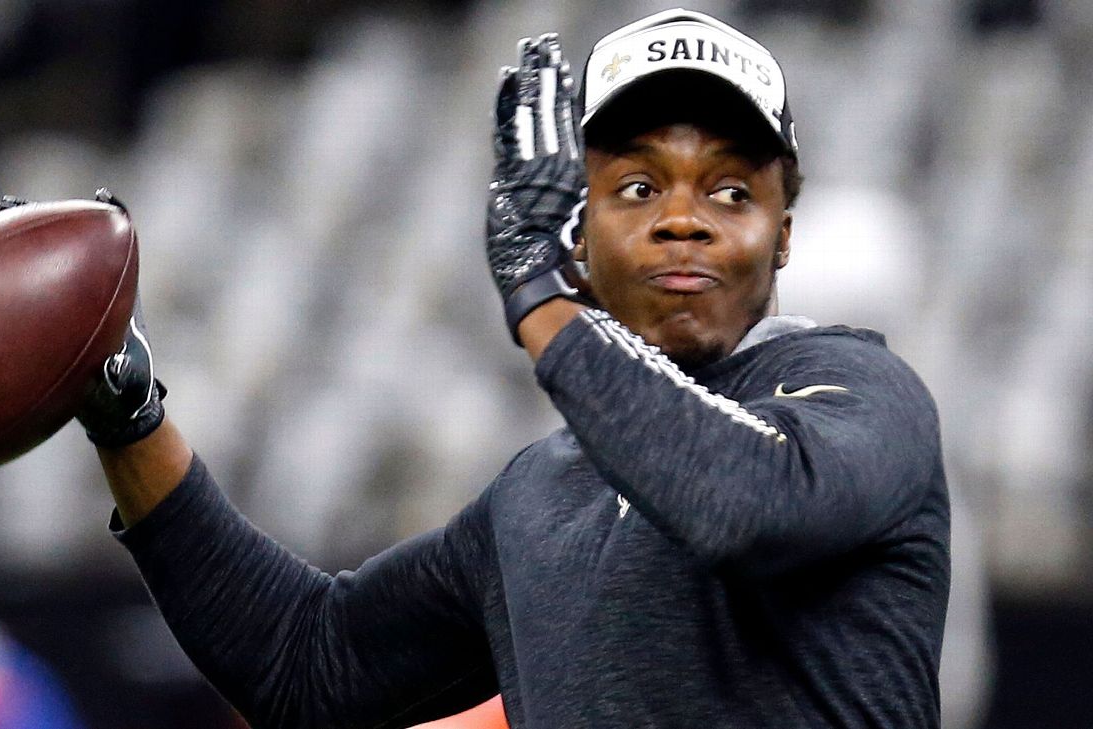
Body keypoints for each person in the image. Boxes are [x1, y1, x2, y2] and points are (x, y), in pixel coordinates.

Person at [65, 8, 949, 728]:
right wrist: (127, 414)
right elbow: (307, 662)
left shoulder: (861, 394)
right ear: (580, 231)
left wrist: (541, 297)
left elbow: (743, 507)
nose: (685, 220)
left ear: (783, 234)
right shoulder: (544, 490)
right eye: (638, 187)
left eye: (728, 190)